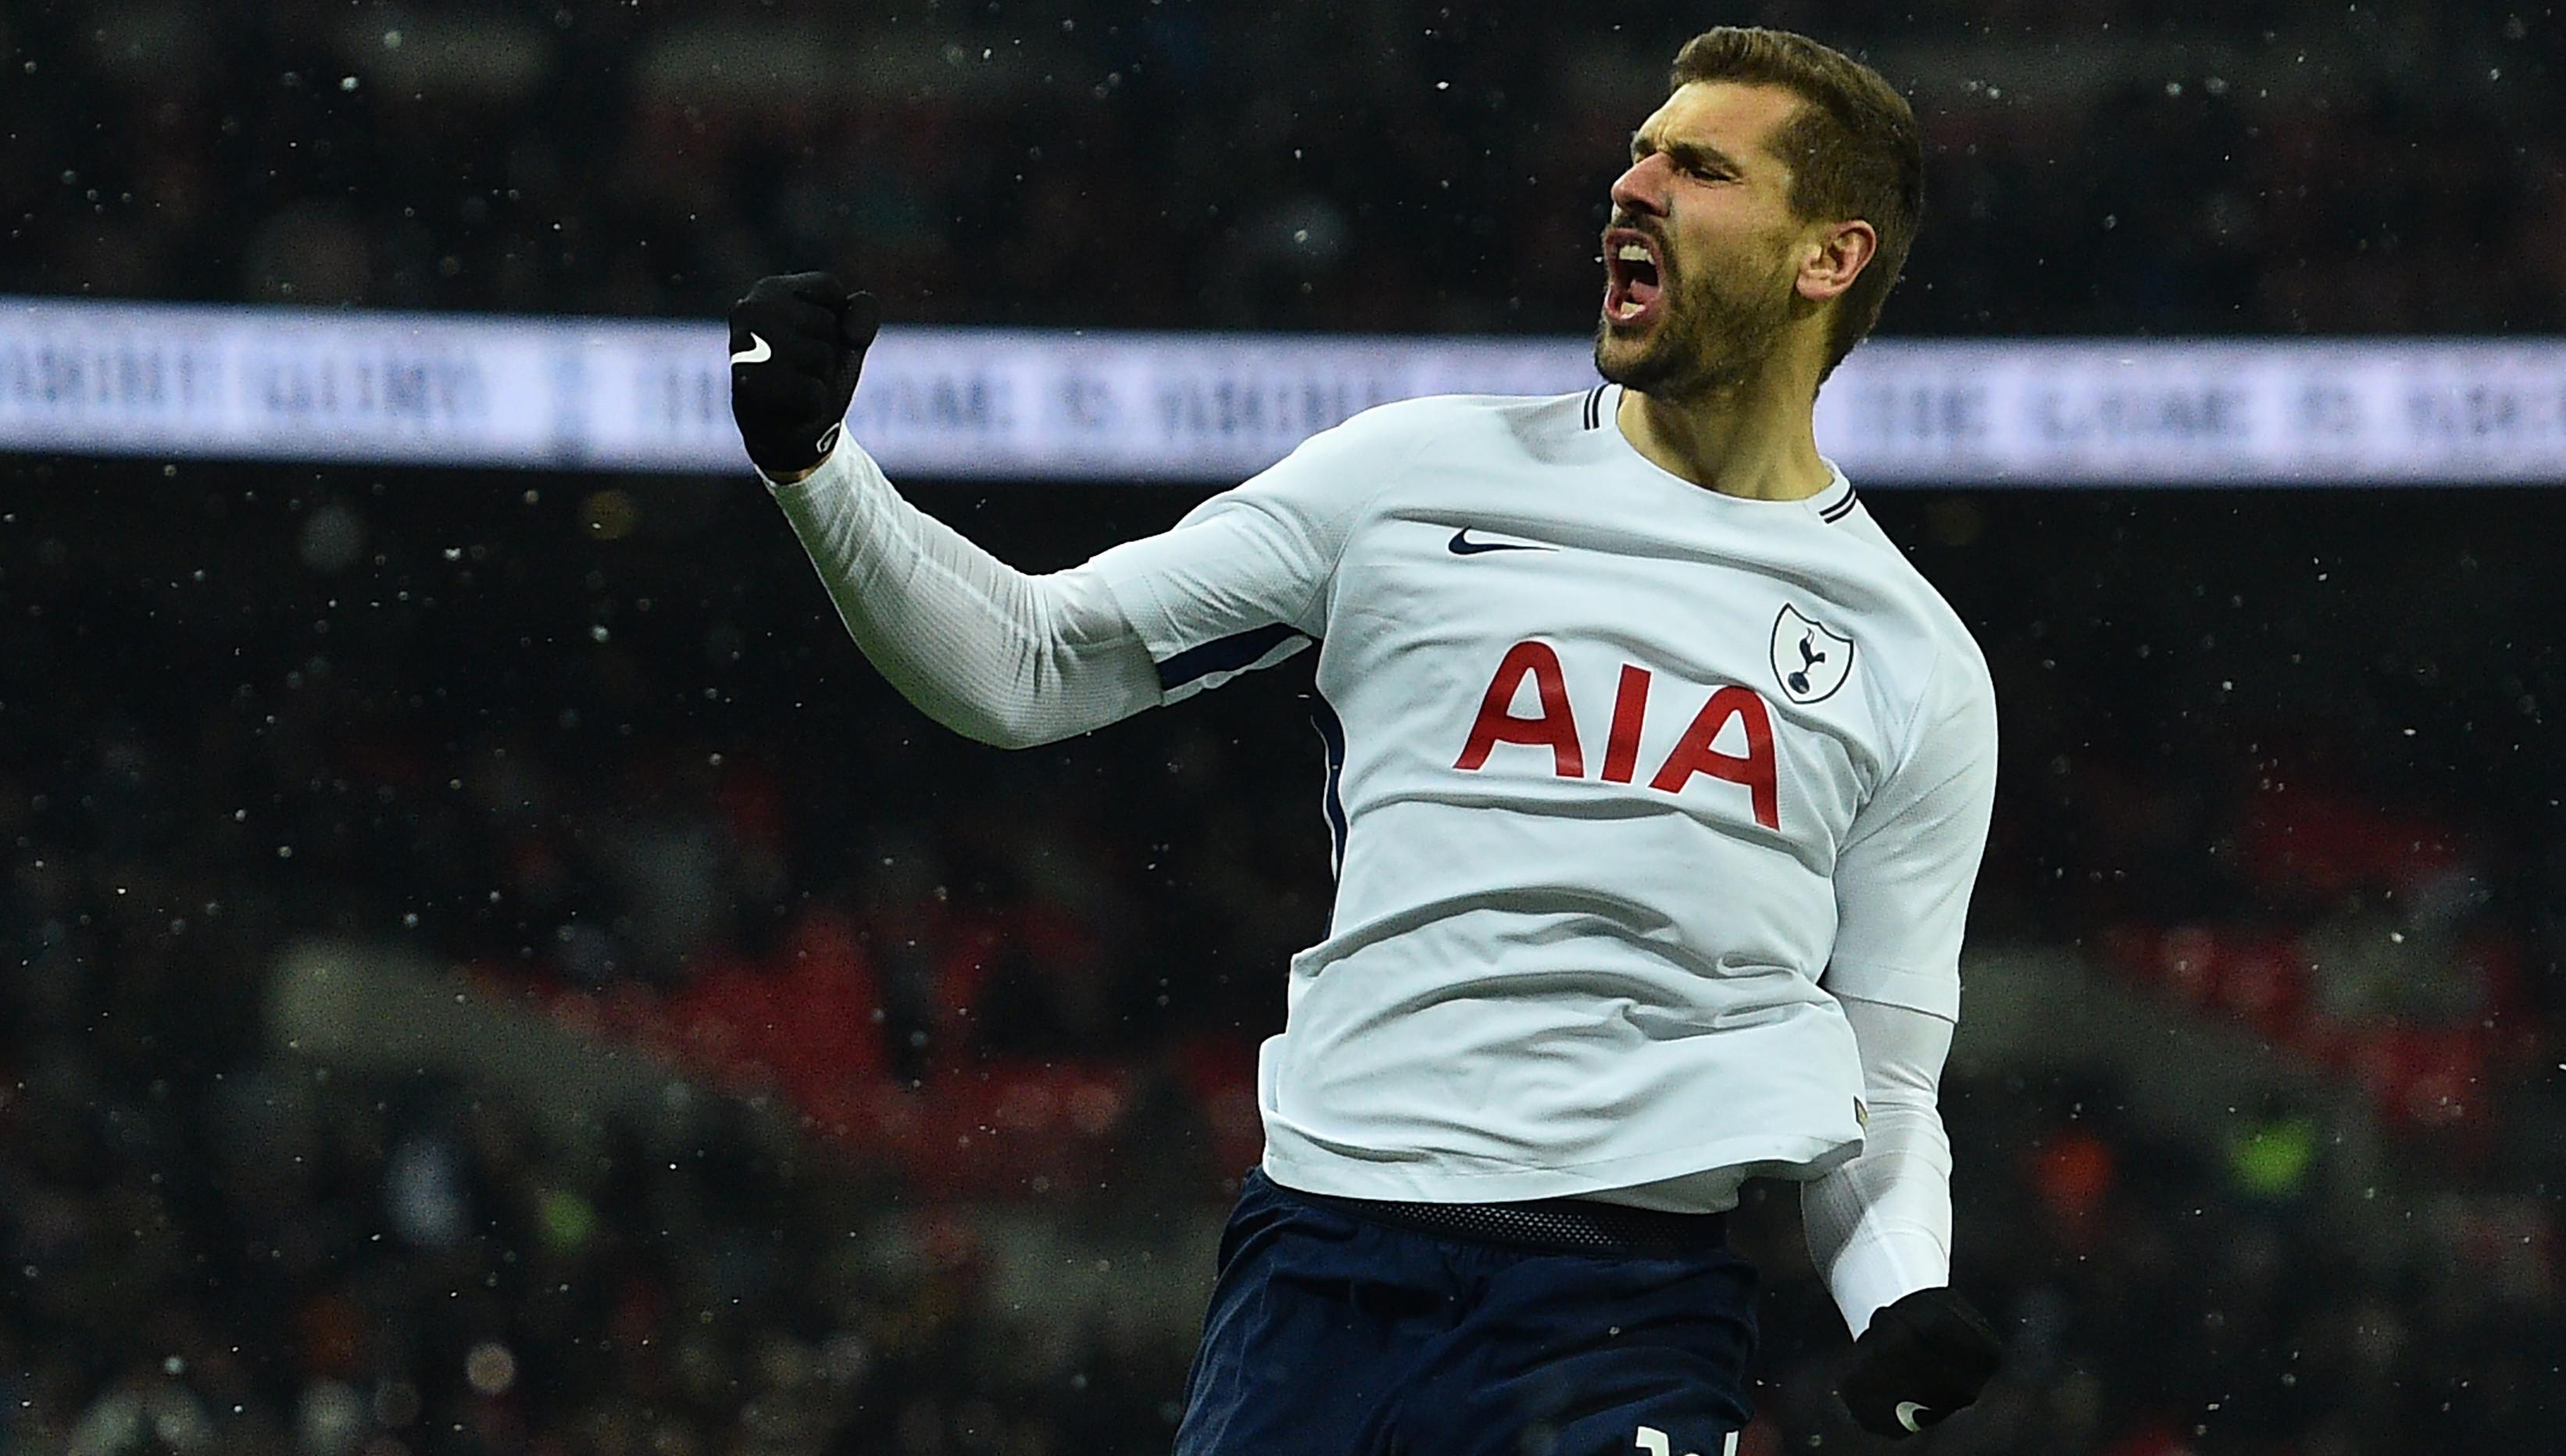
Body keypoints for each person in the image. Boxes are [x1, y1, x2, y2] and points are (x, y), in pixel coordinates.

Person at [727, 24, 2002, 1455]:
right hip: (1324, 1269)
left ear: (1829, 257)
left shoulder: (1918, 662)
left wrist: (1904, 1291)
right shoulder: (1407, 476)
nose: (1631, 187)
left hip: (1625, 1317)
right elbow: (1031, 665)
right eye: (1638, 151)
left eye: (1698, 167)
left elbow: (1884, 1081)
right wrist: (814, 467)